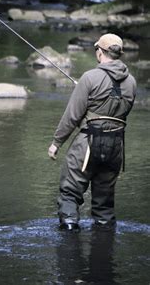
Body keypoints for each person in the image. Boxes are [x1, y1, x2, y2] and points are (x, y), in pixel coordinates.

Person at [48, 33, 137, 232]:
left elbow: (72, 115)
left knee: (70, 191)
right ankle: (104, 240)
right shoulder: (131, 81)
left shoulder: (89, 77)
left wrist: (56, 143)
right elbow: (120, 111)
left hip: (88, 143)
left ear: (100, 52)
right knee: (104, 200)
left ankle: (70, 231)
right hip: (116, 145)